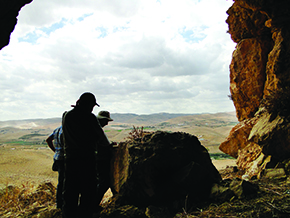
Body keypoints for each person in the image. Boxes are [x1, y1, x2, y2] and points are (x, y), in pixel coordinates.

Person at [62, 92, 111, 218]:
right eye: (92, 106)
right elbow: (102, 140)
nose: (92, 109)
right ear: (88, 105)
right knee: (88, 191)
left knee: (70, 191)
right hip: (87, 159)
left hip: (70, 159)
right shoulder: (89, 118)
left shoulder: (67, 116)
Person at [95, 111, 116, 208]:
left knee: (100, 182)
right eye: (106, 121)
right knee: (104, 182)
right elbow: (99, 145)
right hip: (100, 159)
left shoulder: (95, 128)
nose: (107, 123)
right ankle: (93, 205)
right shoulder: (95, 130)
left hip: (98, 159)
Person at [46, 126, 64, 209]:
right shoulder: (68, 129)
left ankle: (59, 203)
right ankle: (61, 204)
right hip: (65, 159)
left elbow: (48, 140)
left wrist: (56, 151)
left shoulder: (57, 129)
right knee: (65, 182)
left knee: (61, 182)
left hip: (58, 158)